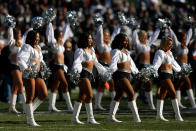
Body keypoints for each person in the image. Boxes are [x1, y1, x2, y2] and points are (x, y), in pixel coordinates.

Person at [71, 33, 108, 124]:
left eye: (91, 38)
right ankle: (90, 118)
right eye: (89, 38)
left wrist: (104, 71)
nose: (91, 40)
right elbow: (77, 62)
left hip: (90, 75)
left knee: (82, 96)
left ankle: (74, 118)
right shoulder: (80, 50)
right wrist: (76, 71)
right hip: (83, 74)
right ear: (84, 40)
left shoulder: (92, 50)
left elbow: (96, 63)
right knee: (90, 95)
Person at [108, 33, 141, 123]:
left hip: (127, 75)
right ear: (119, 41)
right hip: (120, 75)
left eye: (127, 40)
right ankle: (136, 118)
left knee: (118, 95)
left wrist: (137, 72)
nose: (126, 42)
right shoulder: (115, 51)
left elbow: (132, 64)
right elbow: (113, 64)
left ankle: (111, 117)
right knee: (131, 93)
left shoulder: (126, 51)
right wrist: (109, 71)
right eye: (124, 40)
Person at [17, 30, 48, 126]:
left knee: (44, 93)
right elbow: (20, 57)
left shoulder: (38, 47)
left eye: (38, 37)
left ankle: (28, 111)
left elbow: (40, 60)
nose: (37, 39)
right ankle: (30, 120)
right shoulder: (27, 47)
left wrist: (44, 67)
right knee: (30, 96)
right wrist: (26, 68)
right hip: (29, 73)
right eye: (35, 38)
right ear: (31, 38)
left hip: (38, 73)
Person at [152, 37, 183, 121]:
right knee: (173, 93)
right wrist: (153, 70)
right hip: (164, 75)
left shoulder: (170, 53)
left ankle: (159, 116)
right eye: (169, 44)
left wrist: (181, 70)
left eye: (171, 44)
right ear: (164, 44)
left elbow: (174, 64)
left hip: (170, 75)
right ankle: (177, 115)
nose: (170, 46)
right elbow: (156, 63)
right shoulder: (160, 52)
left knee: (162, 95)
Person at [46, 22, 73, 112]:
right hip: (57, 67)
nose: (62, 36)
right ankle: (70, 107)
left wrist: (68, 22)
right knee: (65, 84)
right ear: (56, 35)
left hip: (62, 66)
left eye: (62, 35)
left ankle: (51, 106)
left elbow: (65, 32)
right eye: (60, 35)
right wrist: (49, 23)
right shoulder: (54, 43)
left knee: (55, 86)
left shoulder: (61, 43)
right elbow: (50, 34)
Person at [132, 28, 160, 110]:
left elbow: (153, 37)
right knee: (146, 85)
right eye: (143, 36)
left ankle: (133, 102)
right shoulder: (139, 45)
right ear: (140, 37)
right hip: (142, 66)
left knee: (140, 86)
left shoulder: (147, 44)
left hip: (148, 66)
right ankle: (150, 105)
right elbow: (135, 39)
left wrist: (158, 29)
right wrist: (134, 30)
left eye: (146, 36)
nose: (145, 38)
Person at [94, 24, 120, 110]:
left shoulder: (109, 45)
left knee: (102, 85)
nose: (107, 37)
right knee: (111, 84)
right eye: (105, 35)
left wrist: (119, 25)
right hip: (103, 66)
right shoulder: (101, 46)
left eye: (108, 36)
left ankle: (98, 105)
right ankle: (114, 104)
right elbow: (100, 36)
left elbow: (115, 34)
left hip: (108, 67)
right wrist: (100, 26)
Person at [169, 27, 196, 109]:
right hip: (181, 68)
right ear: (180, 38)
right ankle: (193, 105)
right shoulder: (177, 44)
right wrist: (170, 28)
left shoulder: (186, 44)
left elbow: (189, 35)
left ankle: (178, 103)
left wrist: (191, 27)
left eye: (185, 37)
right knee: (188, 84)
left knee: (178, 86)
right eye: (183, 38)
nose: (185, 38)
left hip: (185, 68)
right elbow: (173, 36)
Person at [7, 27, 26, 113]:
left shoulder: (21, 43)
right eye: (19, 33)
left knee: (15, 86)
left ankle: (12, 107)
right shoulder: (12, 43)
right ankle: (26, 106)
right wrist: (10, 26)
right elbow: (10, 35)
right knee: (20, 84)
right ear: (15, 35)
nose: (20, 35)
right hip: (13, 66)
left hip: (20, 66)